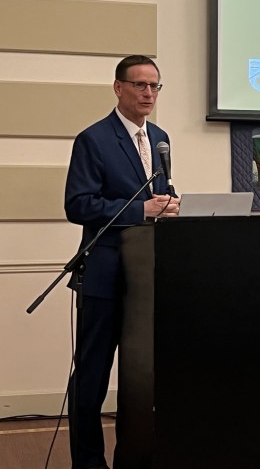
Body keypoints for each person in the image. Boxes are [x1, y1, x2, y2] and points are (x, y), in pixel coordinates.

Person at [64, 55, 180, 469]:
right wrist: (142, 211)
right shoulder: (94, 139)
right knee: (92, 377)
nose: (148, 93)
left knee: (142, 377)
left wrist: (170, 205)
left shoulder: (161, 137)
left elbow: (156, 192)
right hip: (105, 273)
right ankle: (89, 463)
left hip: (148, 276)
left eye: (155, 87)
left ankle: (136, 457)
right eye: (140, 85)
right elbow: (78, 204)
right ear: (118, 88)